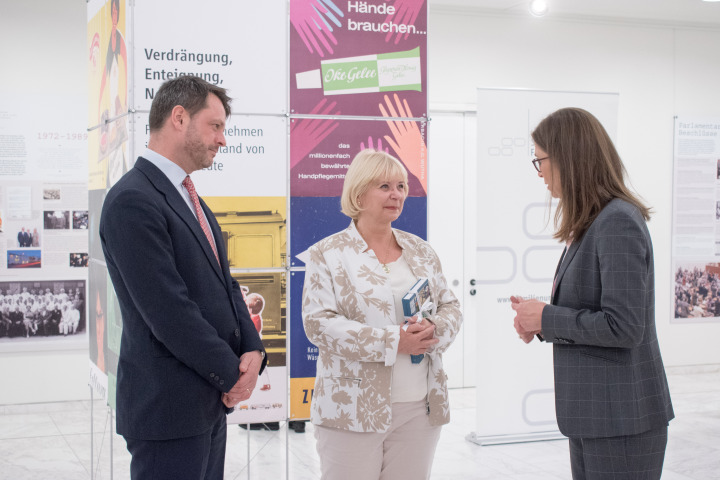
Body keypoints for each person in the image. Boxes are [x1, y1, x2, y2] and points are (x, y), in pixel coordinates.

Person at [99, 76, 266, 480]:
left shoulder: (188, 197)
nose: (223, 140)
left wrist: (254, 351)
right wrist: (232, 375)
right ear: (178, 117)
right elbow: (169, 310)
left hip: (205, 402)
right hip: (168, 409)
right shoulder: (132, 200)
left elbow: (225, 285)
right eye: (216, 126)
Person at [511, 107, 674, 480]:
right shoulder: (594, 222)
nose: (540, 174)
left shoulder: (616, 222)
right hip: (598, 415)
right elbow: (594, 310)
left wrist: (547, 317)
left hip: (622, 418)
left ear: (568, 157)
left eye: (541, 162)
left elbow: (625, 326)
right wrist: (539, 322)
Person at [301, 149, 462, 480]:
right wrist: (394, 341)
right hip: (351, 407)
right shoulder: (327, 254)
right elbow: (318, 324)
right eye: (385, 186)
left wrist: (431, 329)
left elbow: (451, 307)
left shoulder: (422, 250)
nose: (397, 194)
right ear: (359, 193)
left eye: (401, 186)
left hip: (419, 407)